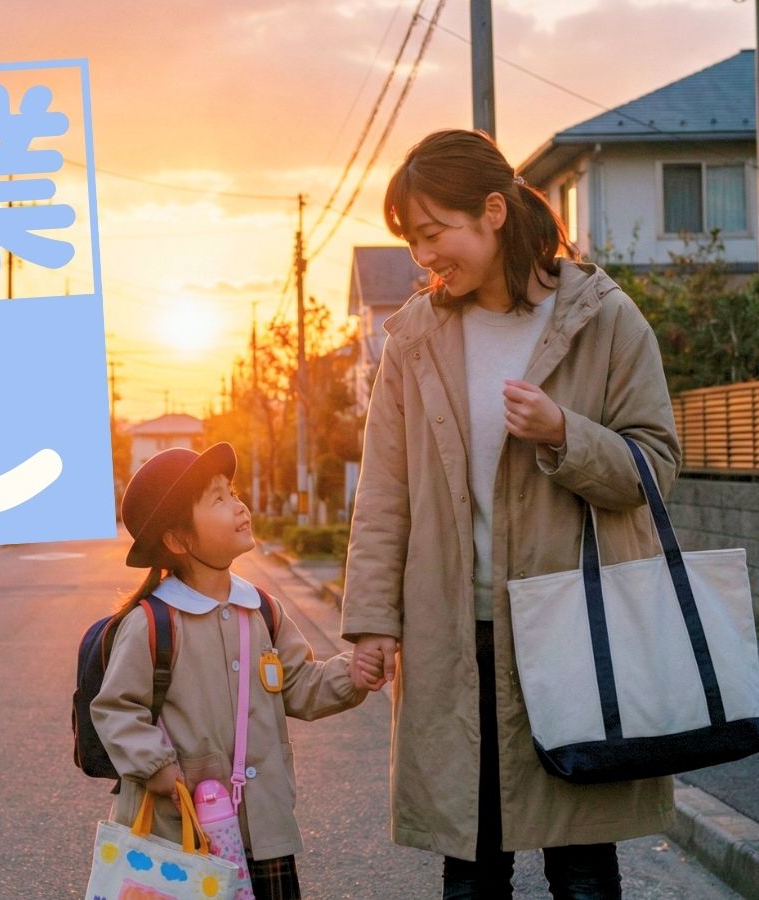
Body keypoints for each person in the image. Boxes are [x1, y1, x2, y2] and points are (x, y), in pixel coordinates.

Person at [342, 129, 681, 899]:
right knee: (469, 861)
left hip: (575, 626)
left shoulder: (603, 318)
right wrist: (372, 619)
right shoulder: (415, 339)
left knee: (584, 866)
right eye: (412, 241)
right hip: (458, 632)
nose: (424, 258)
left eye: (434, 234)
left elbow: (655, 468)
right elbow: (385, 493)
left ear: (493, 211)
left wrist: (566, 434)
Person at [92, 442, 370, 900]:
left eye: (233, 492)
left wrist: (352, 674)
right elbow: (116, 709)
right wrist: (156, 766)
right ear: (179, 540)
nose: (239, 506)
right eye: (218, 500)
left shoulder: (261, 608)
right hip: (181, 837)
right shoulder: (153, 623)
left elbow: (298, 685)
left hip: (264, 834)